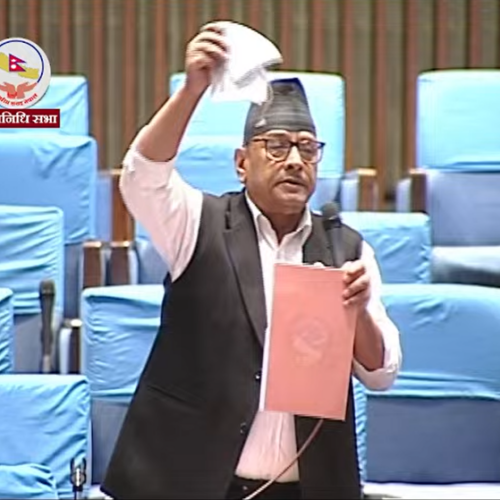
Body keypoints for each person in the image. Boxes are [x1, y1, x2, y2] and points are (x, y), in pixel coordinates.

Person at [101, 22, 402, 500]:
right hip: (189, 483)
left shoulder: (346, 248)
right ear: (242, 163)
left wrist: (358, 310)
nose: (295, 160)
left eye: (307, 148)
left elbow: (381, 371)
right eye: (277, 145)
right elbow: (141, 178)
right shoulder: (197, 223)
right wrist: (192, 91)